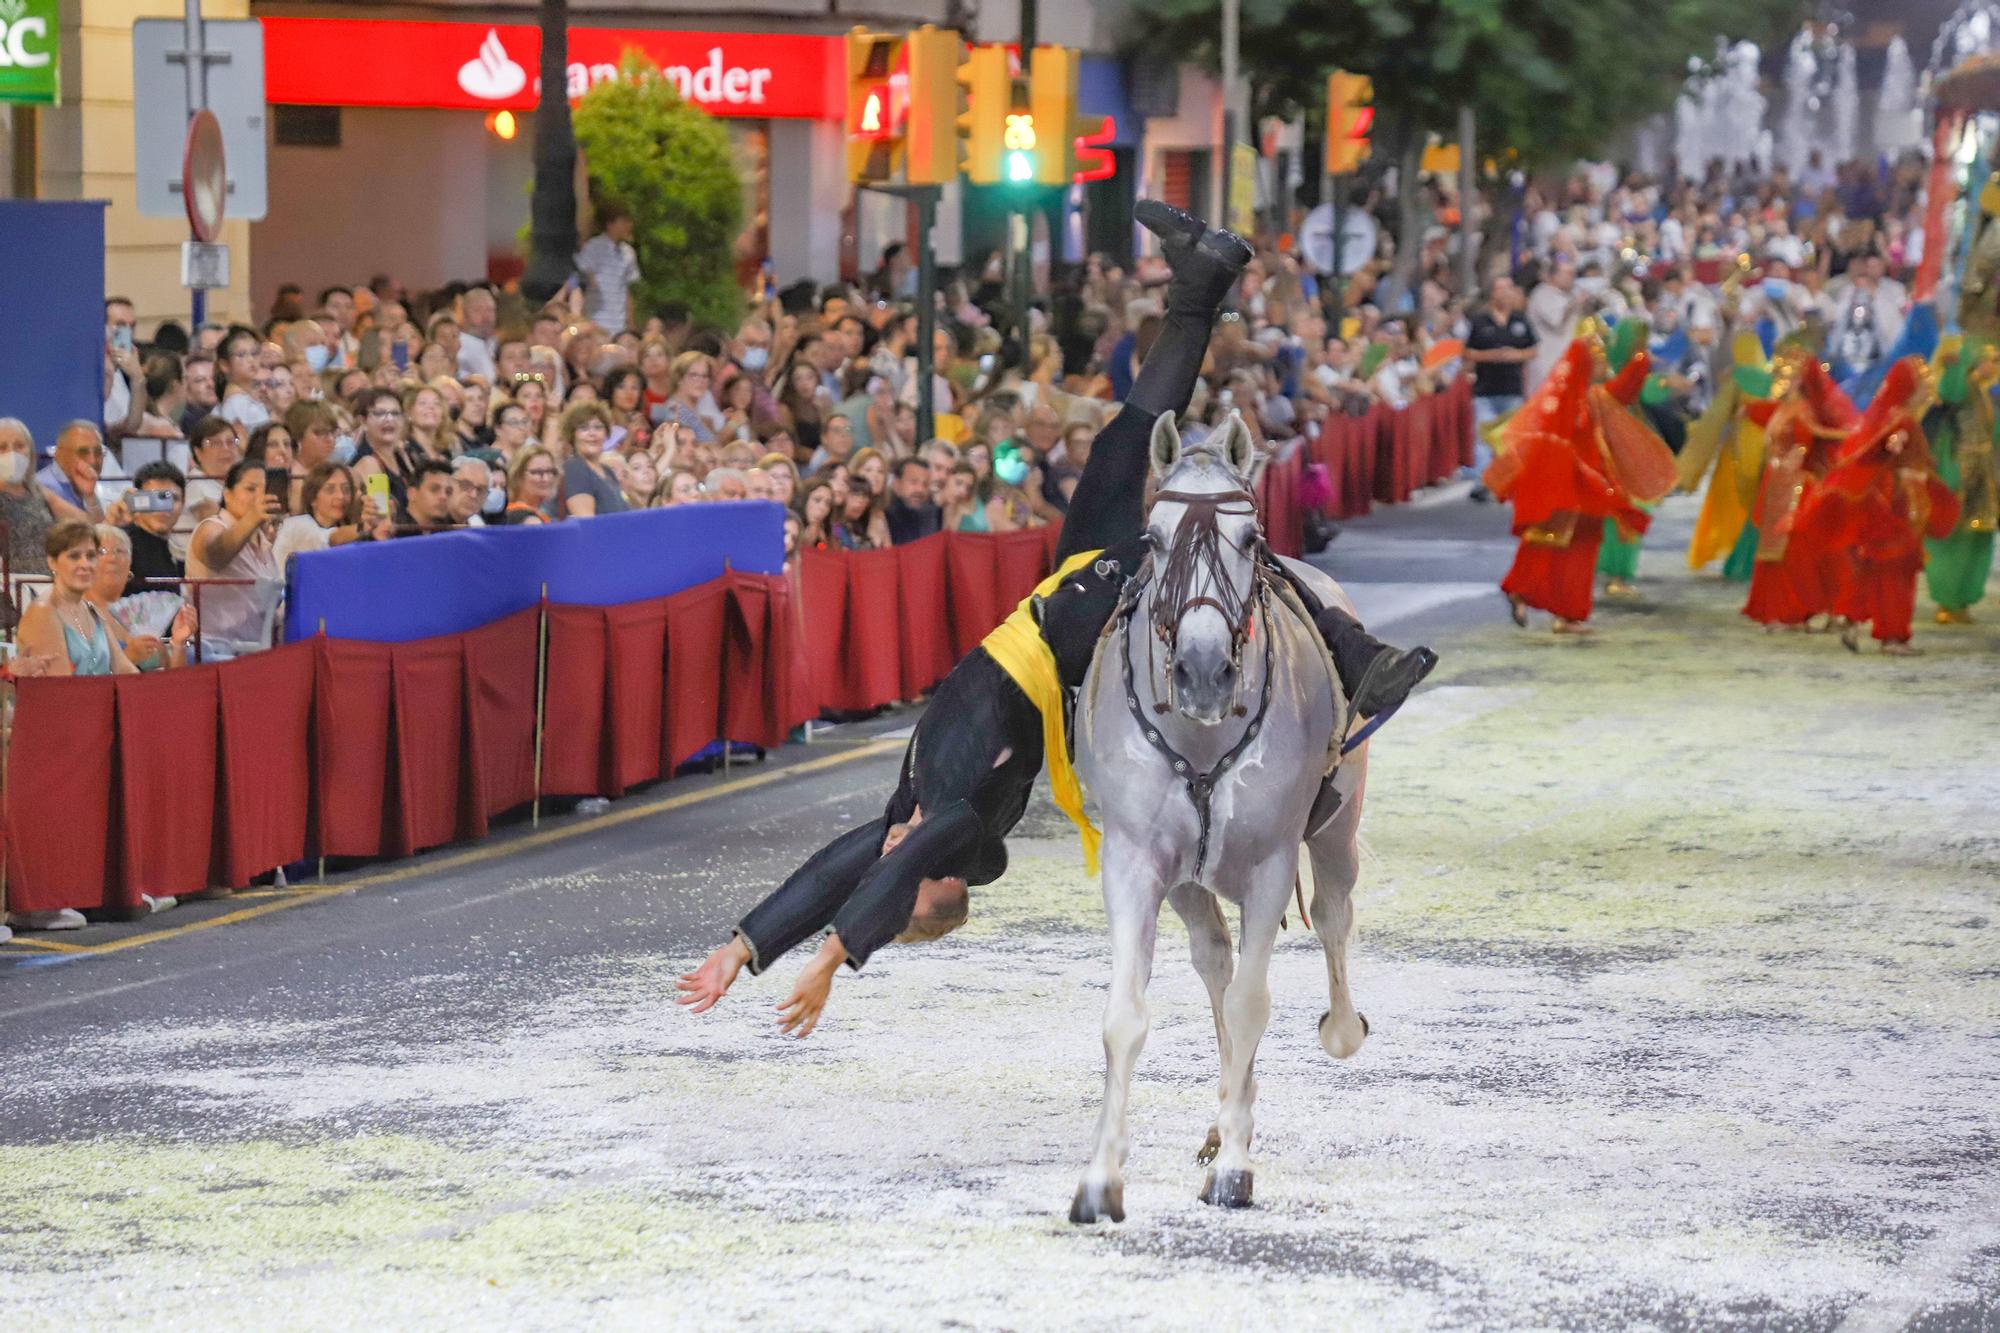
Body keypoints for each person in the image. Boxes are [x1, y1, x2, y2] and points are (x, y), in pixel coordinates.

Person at [678, 201, 1436, 1037]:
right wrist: (834, 960)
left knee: (1123, 445)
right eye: (906, 884)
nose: (884, 863)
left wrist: (743, 946)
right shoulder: (959, 827)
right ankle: (1357, 654)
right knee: (1210, 550)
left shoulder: (908, 814)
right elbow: (884, 885)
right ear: (945, 882)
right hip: (1068, 634)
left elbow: (827, 875)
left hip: (1055, 599)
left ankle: (1199, 279)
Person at [1485, 334, 1669, 634]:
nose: (1601, 365)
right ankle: (1551, 606)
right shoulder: (1574, 403)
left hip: (1578, 489)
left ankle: (1552, 606)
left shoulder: (1581, 397)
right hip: (1573, 489)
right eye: (1597, 360)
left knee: (1562, 548)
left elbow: (1620, 392)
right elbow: (1614, 398)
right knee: (1563, 548)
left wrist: (1640, 362)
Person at [1795, 358, 1958, 654]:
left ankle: (1853, 618)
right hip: (1900, 506)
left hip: (1894, 504)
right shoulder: (1901, 421)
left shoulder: (1893, 417)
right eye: (1923, 384)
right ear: (1910, 388)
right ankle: (1892, 636)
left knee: (1876, 567)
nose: (1927, 389)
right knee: (1896, 571)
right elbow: (1885, 452)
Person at [1922, 339, 1998, 625]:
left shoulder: (1986, 396)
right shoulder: (1955, 396)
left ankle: (1964, 600)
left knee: (1979, 537)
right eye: (1990, 358)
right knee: (1951, 537)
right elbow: (1948, 392)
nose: (1994, 365)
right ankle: (1946, 599)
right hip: (1956, 472)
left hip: (1983, 476)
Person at [15, 521, 145, 679]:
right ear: (52, 562)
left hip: (101, 700)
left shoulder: (91, 610)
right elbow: (64, 689)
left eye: (91, 556)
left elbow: (126, 670)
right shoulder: (43, 612)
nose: (85, 564)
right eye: (74, 556)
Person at [186, 458, 284, 659]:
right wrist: (252, 518)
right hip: (214, 653)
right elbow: (216, 556)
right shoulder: (211, 527)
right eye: (251, 489)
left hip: (256, 654)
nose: (260, 497)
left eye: (265, 490)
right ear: (227, 495)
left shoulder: (264, 542)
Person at [1464, 276, 1537, 500]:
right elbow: (1467, 352)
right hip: (1485, 389)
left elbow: (1533, 349)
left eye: (1508, 289)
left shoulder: (1520, 319)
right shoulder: (1479, 321)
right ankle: (1484, 481)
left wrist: (1515, 355)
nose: (1505, 294)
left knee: (1511, 438)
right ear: (1493, 293)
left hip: (1512, 388)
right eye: (1500, 290)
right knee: (1484, 437)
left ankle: (1509, 480)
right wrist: (1491, 356)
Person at [86, 524, 196, 672]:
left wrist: (179, 643)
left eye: (120, 551)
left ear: (130, 566)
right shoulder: (76, 612)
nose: (112, 558)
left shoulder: (139, 615)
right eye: (102, 552)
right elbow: (78, 680)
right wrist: (128, 657)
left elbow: (174, 682)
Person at [275, 462, 390, 566]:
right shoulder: (296, 525)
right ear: (312, 499)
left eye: (346, 489)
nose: (340, 496)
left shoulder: (348, 532)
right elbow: (331, 538)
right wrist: (366, 526)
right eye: (330, 490)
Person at [0, 418, 56, 593]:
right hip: (10, 595)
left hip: (49, 588)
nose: (12, 454)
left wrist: (90, 496)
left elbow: (84, 525)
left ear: (31, 452)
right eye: (2, 448)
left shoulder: (39, 492)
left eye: (19, 446)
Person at [120, 459, 188, 594]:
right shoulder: (122, 545)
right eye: (155, 499)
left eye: (172, 498)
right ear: (138, 500)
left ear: (183, 503)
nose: (163, 509)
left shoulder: (173, 552)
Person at [577, 202, 642, 335]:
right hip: (596, 321)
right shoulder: (593, 247)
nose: (628, 226)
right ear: (610, 224)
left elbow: (627, 290)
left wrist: (631, 323)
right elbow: (579, 279)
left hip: (619, 324)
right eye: (623, 222)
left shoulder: (628, 252)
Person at [558, 401, 628, 518]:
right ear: (572, 435)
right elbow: (586, 522)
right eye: (584, 428)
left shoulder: (608, 471)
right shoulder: (575, 468)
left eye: (598, 427)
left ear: (606, 434)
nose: (592, 433)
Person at [885, 456, 941, 545]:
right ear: (896, 484)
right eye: (913, 482)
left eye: (925, 484)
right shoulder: (882, 516)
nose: (920, 490)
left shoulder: (932, 515)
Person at [501, 447, 561, 525]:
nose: (546, 479)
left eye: (550, 471)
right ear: (518, 476)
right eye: (537, 472)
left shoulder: (540, 514)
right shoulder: (528, 520)